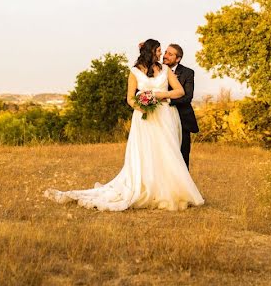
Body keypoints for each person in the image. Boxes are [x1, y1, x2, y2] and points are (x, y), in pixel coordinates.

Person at [43, 39, 204, 211]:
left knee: (166, 151)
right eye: (158, 51)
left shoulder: (164, 70)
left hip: (164, 116)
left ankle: (168, 190)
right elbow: (130, 99)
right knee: (145, 153)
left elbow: (180, 91)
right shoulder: (134, 72)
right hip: (144, 118)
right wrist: (142, 107)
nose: (161, 54)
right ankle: (145, 187)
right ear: (151, 52)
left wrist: (157, 95)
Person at [163, 44, 199, 168]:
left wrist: (166, 100)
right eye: (165, 52)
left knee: (183, 156)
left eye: (170, 54)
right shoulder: (157, 70)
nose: (165, 56)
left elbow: (188, 96)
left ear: (178, 59)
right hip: (161, 119)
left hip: (182, 118)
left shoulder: (188, 73)